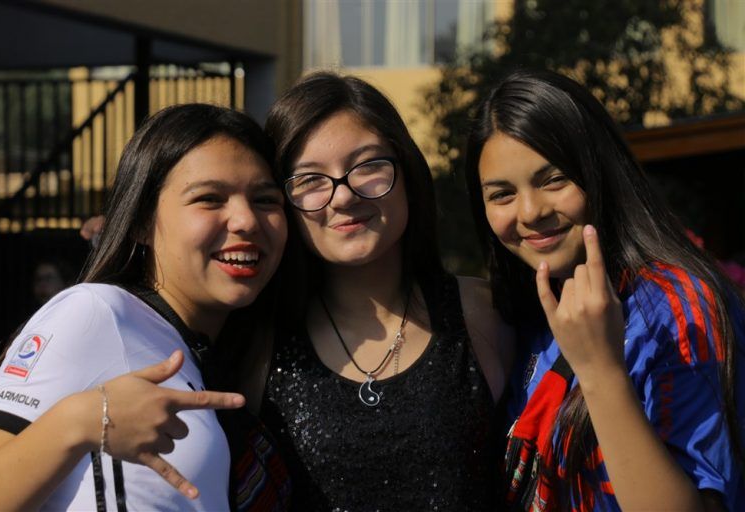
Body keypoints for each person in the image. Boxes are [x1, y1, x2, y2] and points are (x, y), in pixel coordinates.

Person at [0, 104, 290, 511]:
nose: (246, 220)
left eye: (265, 199)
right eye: (209, 199)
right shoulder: (96, 311)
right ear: (141, 221)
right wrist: (82, 420)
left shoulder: (228, 353)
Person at [463, 68, 745, 511]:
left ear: (600, 173)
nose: (530, 211)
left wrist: (600, 371)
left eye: (553, 179)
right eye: (502, 194)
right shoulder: (528, 311)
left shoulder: (678, 306)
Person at [259, 72, 515, 510]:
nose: (343, 197)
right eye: (310, 179)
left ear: (407, 173)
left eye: (367, 166)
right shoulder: (259, 343)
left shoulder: (485, 313)